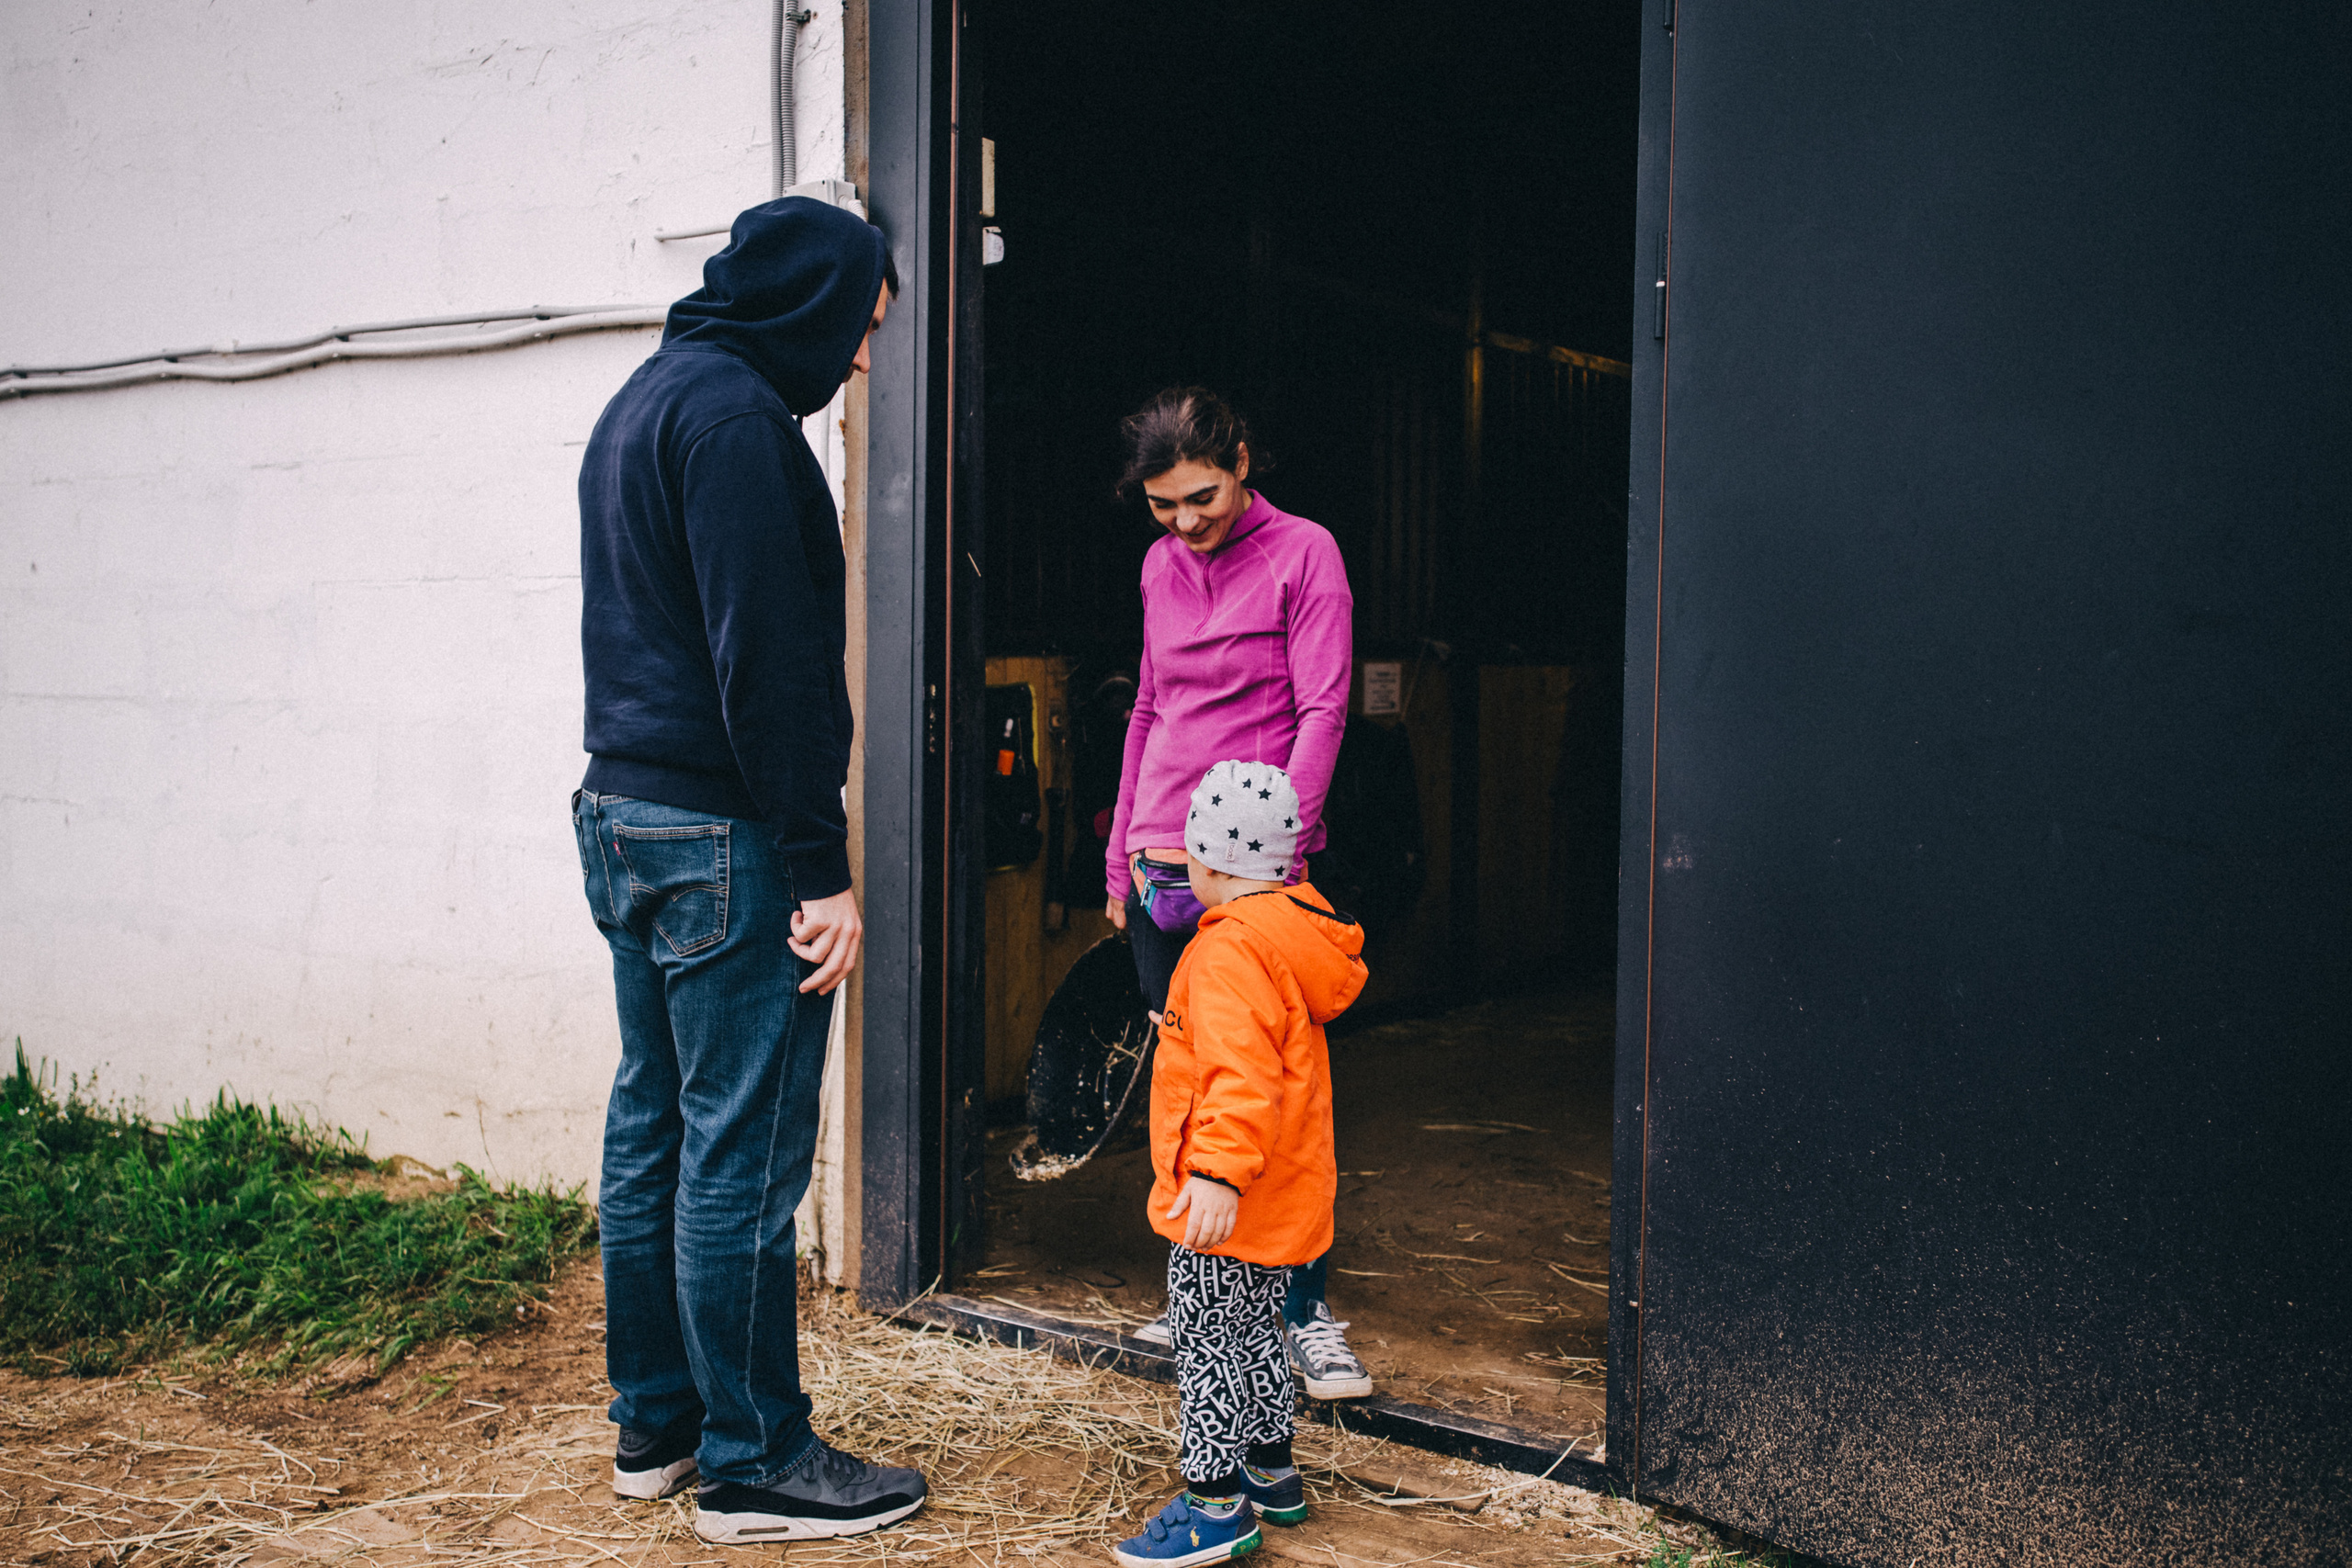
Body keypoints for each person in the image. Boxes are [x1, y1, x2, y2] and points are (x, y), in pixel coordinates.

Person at [571, 196, 927, 1546]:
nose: (863, 355)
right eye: (860, 324)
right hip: (723, 834)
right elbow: (765, 667)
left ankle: (657, 1423)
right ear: (805, 300)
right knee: (742, 1151)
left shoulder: (644, 401)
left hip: (625, 811)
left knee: (654, 1126)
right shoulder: (735, 424)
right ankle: (754, 1459)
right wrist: (818, 866)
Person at [1102, 387, 1374, 1400]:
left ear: (1243, 463)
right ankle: (1202, 1297)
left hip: (1257, 863)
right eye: (1162, 505)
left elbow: (1323, 707)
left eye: (1201, 497)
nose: (1184, 521)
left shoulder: (1306, 553)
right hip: (1161, 858)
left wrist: (1279, 862)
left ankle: (1300, 1312)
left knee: (1278, 1092)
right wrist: (1120, 856)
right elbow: (1147, 708)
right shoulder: (1157, 566)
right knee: (1188, 1084)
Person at [1114, 762, 1367, 1567]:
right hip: (1276, 1192)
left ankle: (1215, 1503)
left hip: (1229, 1197)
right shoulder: (1290, 932)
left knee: (1205, 1340)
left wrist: (1216, 1173)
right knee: (1255, 1327)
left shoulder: (1228, 952)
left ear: (1210, 861)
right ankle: (1270, 1468)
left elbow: (1240, 1077)